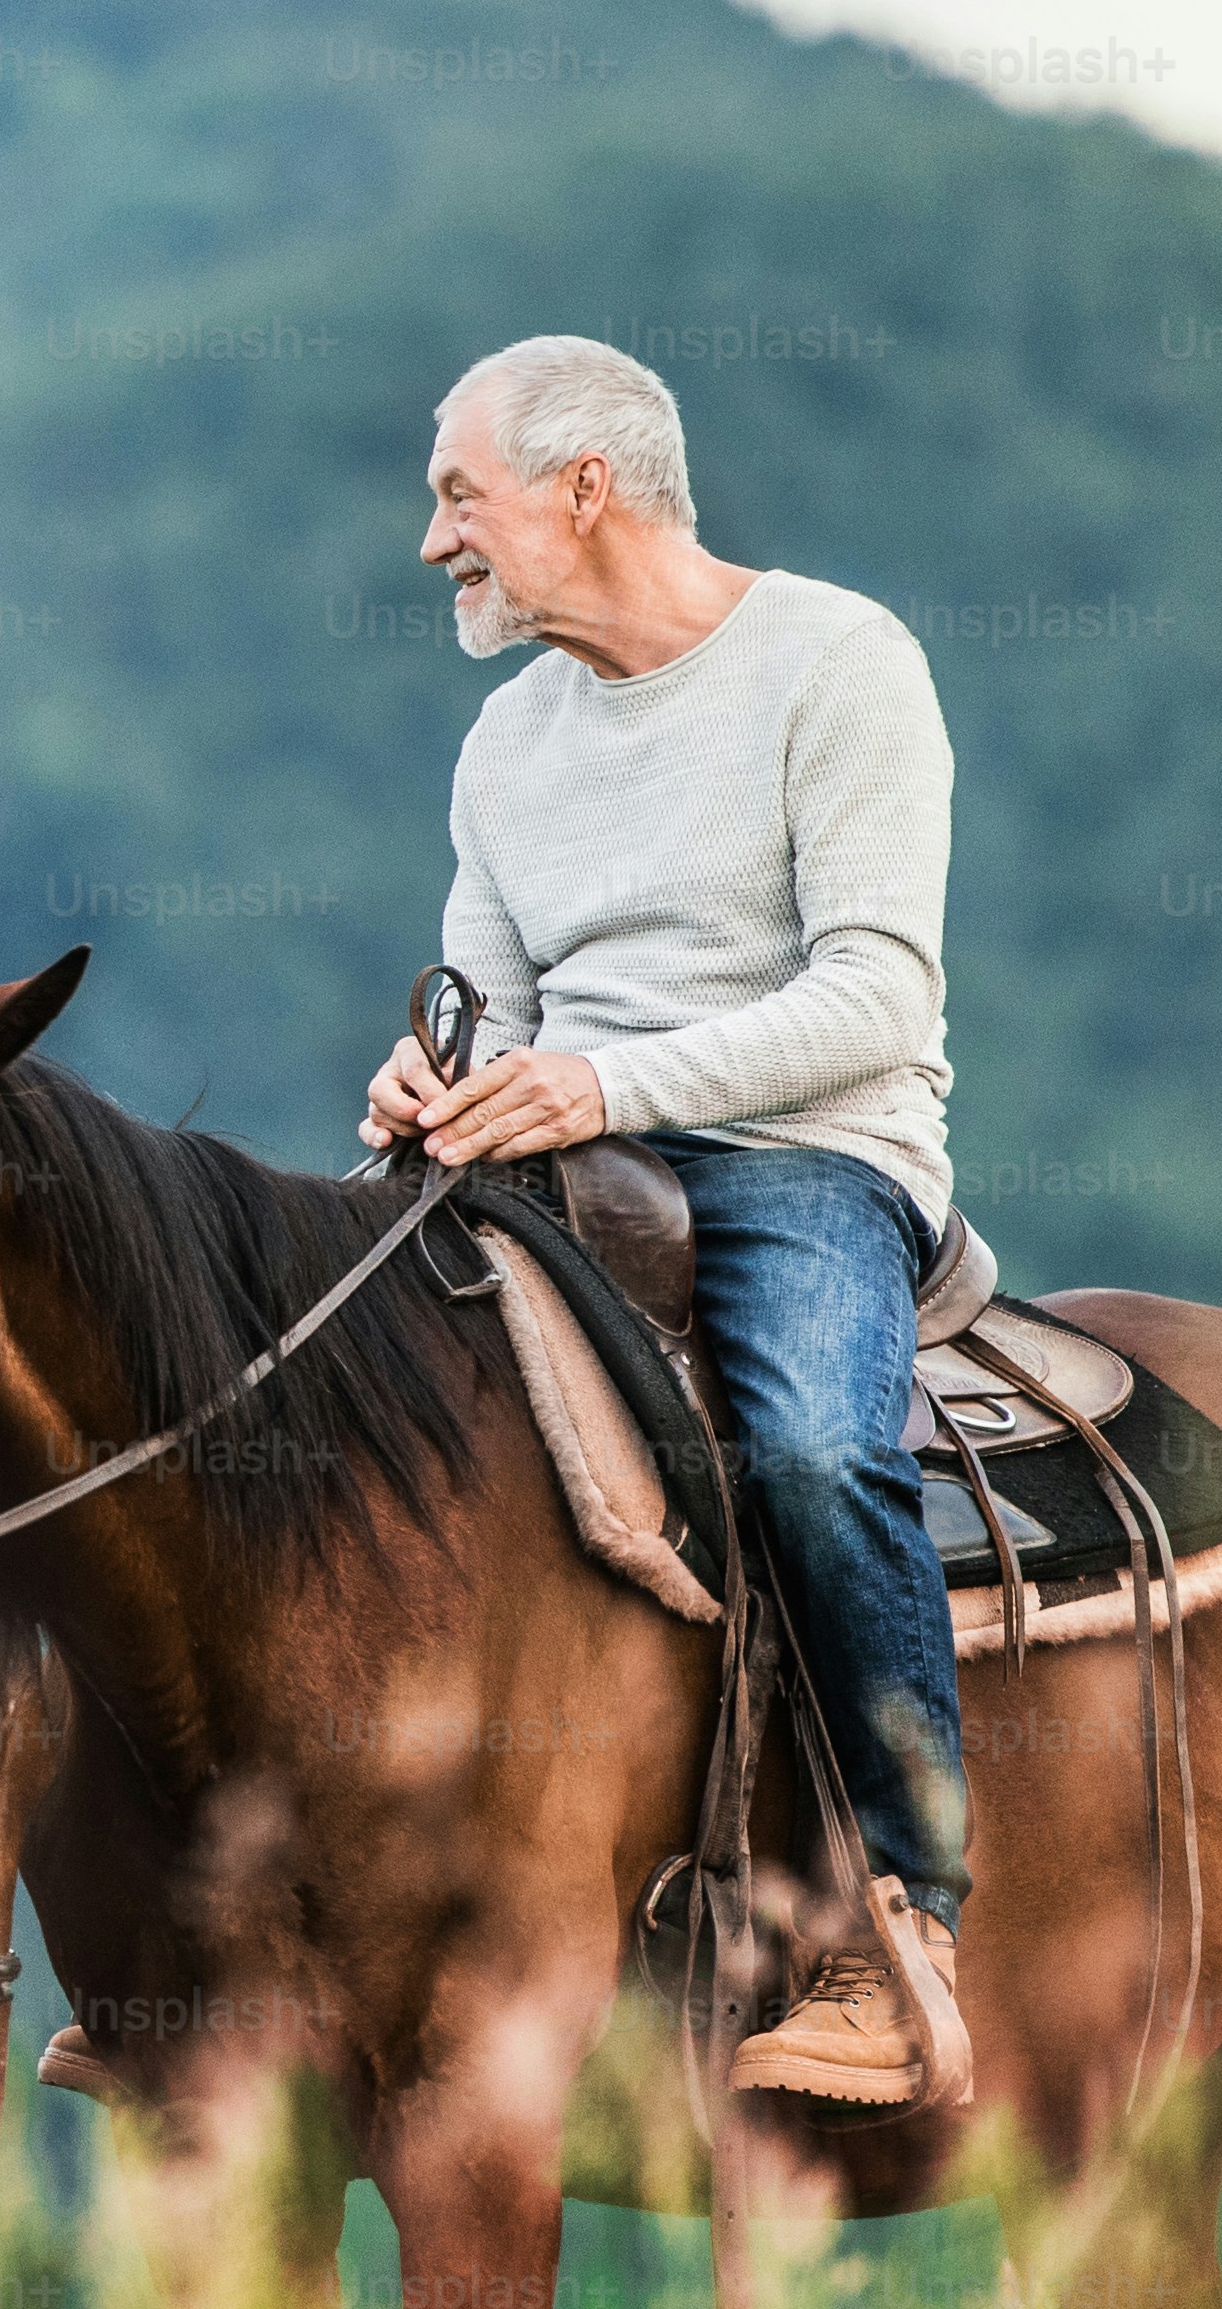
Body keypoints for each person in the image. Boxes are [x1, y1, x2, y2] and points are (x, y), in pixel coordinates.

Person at [357, 336, 979, 2111]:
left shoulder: (837, 664)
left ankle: (908, 1913)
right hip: (557, 1159)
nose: (431, 546)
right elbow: (483, 1003)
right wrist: (422, 1082)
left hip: (805, 1155)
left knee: (809, 1454)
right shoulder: (504, 740)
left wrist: (603, 1087)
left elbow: (875, 995)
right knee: (303, 1403)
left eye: (455, 498)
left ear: (584, 487)